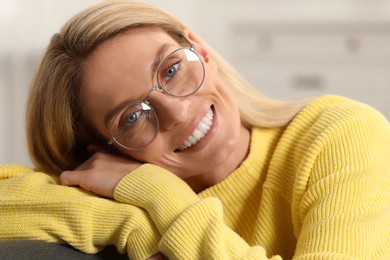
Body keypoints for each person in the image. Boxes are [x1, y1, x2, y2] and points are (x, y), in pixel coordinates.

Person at [0, 0, 389, 259]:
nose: (177, 111)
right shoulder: (131, 197)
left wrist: (165, 201)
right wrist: (132, 220)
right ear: (107, 152)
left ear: (200, 50)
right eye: (132, 117)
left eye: (171, 69)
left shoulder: (340, 133)